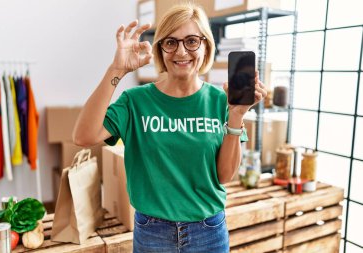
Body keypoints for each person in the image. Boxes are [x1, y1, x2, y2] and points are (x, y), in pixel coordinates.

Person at [73, 3, 267, 253]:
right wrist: (117, 70)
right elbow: (83, 136)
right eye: (171, 42)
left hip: (208, 233)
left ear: (206, 45)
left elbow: (224, 176)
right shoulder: (135, 101)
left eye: (192, 41)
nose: (181, 51)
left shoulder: (223, 103)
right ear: (161, 49)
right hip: (152, 233)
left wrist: (237, 115)